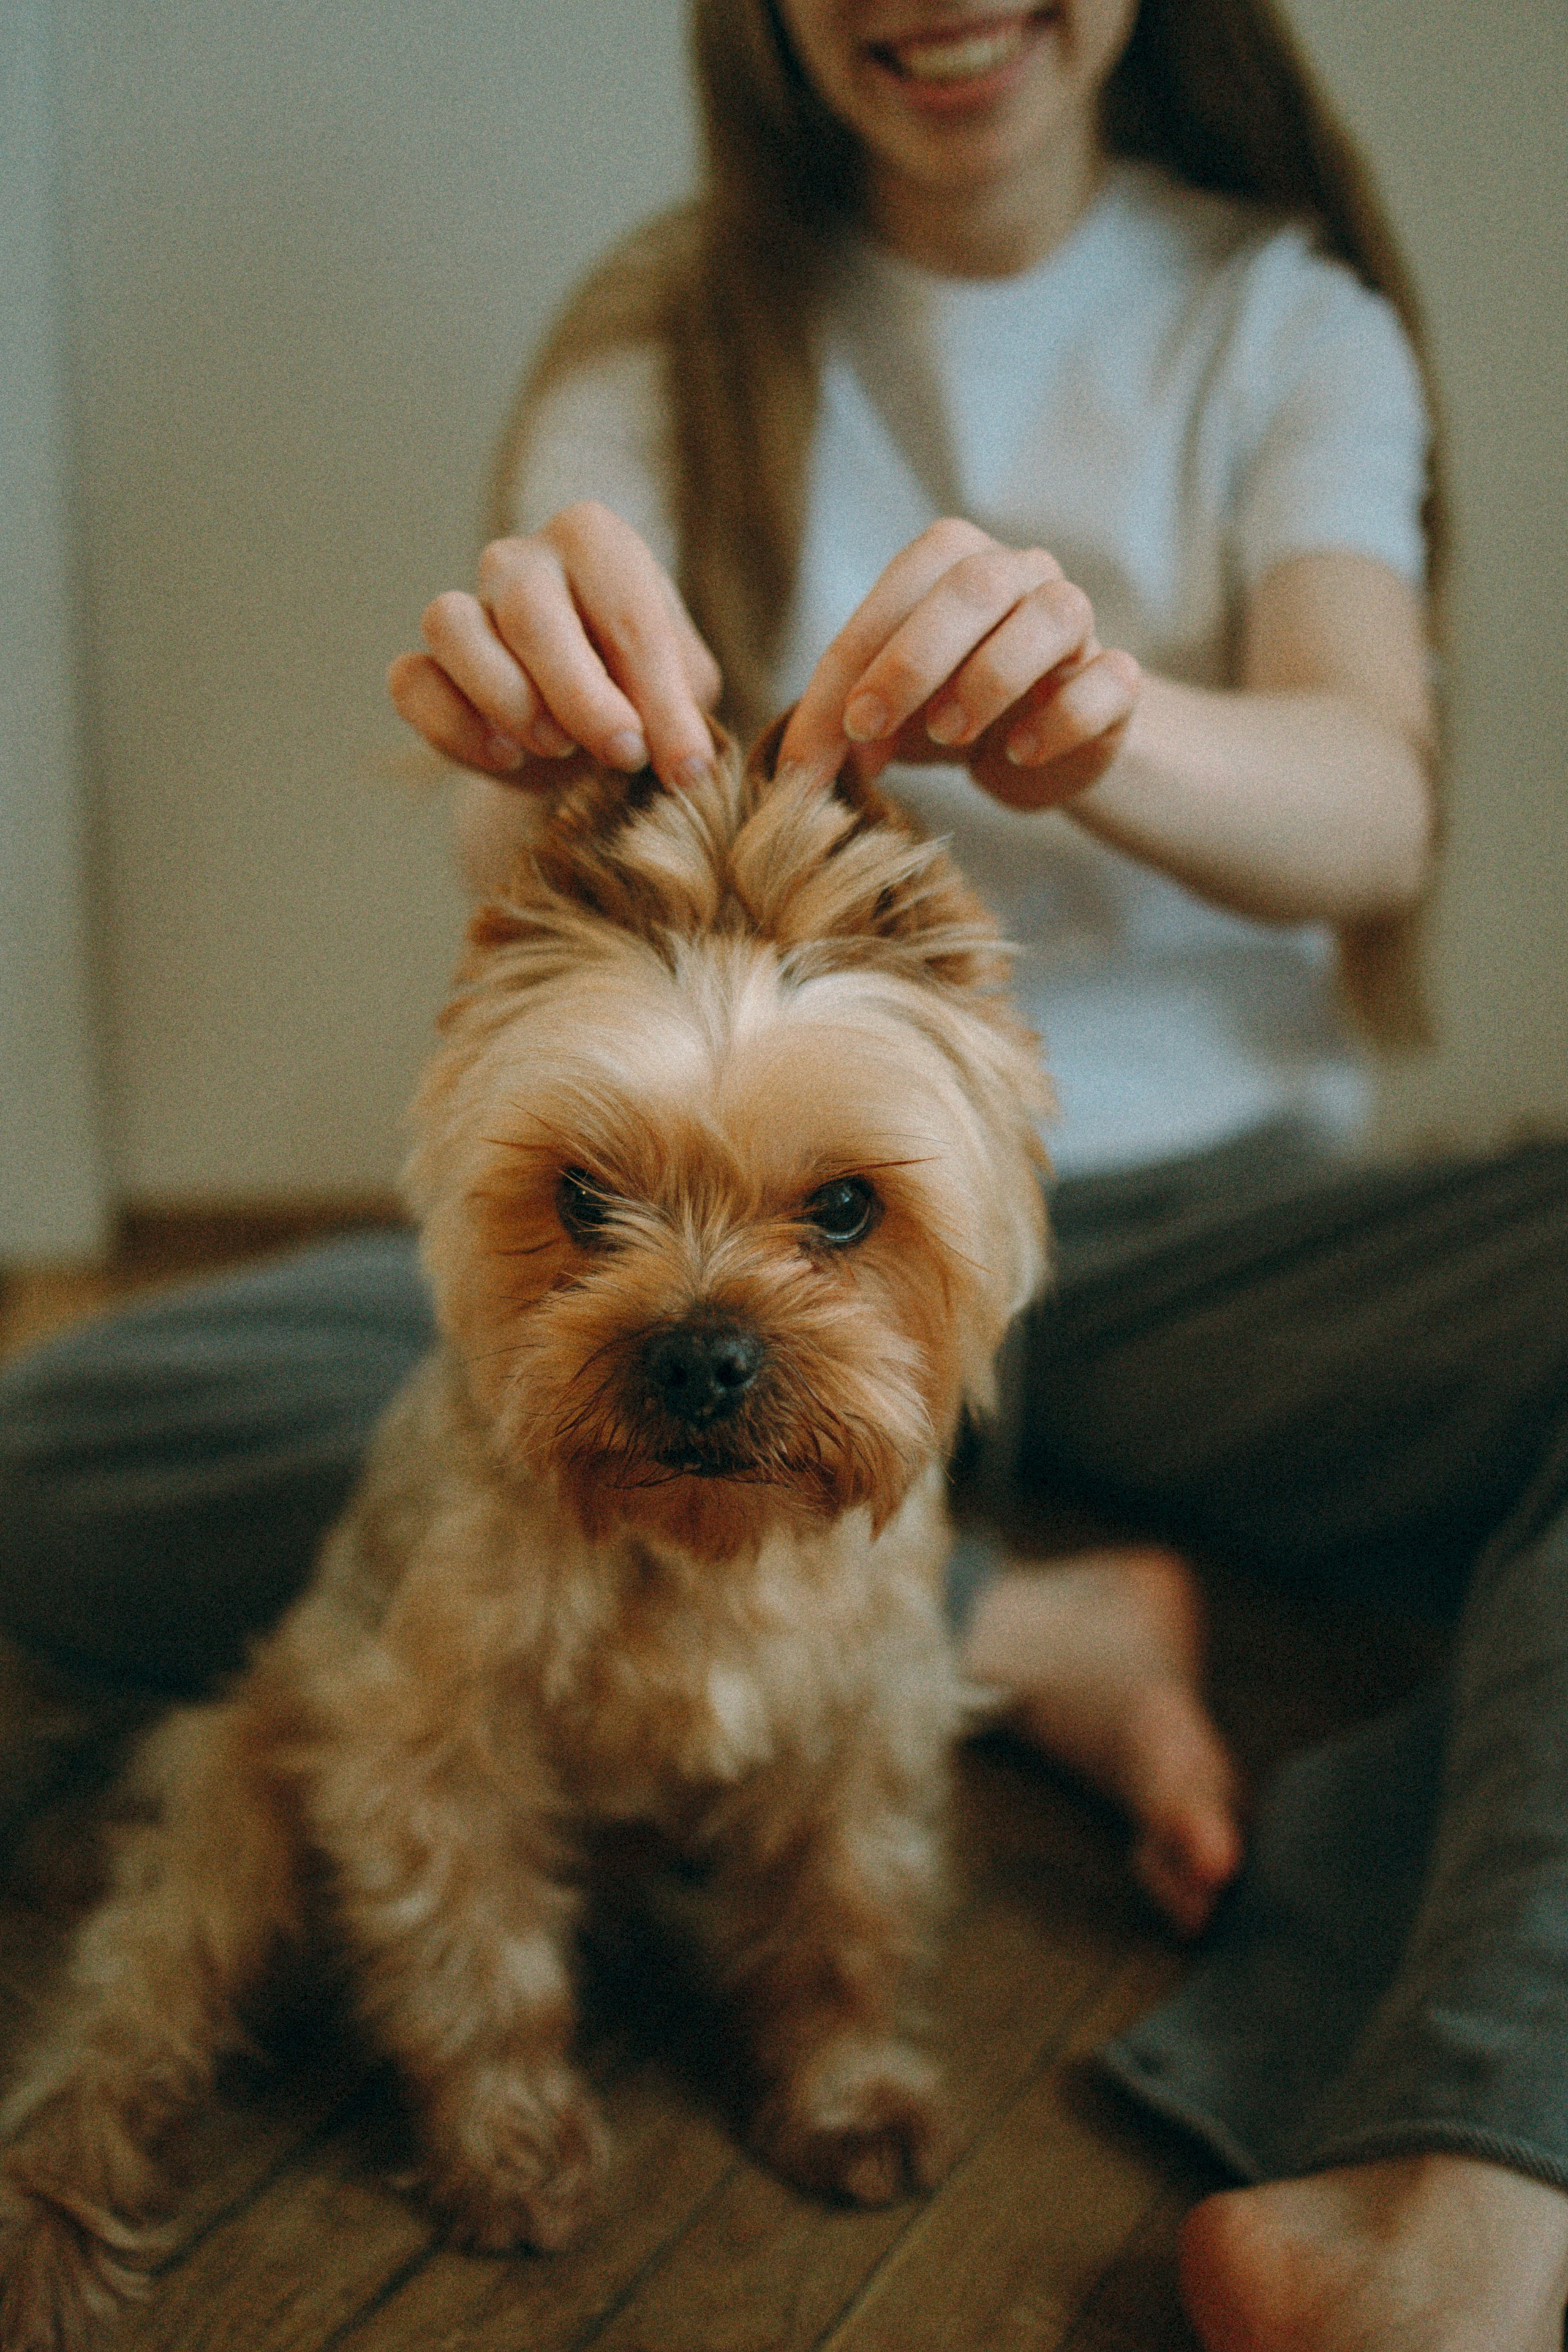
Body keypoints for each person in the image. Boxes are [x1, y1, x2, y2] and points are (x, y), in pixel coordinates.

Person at [2, 4, 1566, 2346]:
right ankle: (1024, 1620)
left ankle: (1469, 2177)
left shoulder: (1284, 316)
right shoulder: (672, 328)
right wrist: (523, 769)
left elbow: (1382, 802)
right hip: (758, 1262)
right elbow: (509, 875)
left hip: (1233, 1237)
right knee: (59, 1446)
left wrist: (1103, 719)